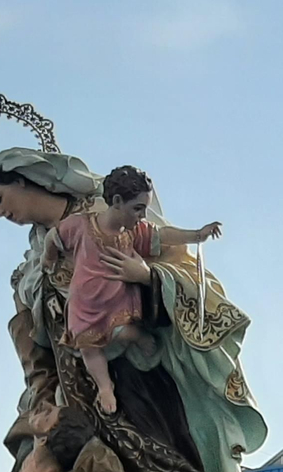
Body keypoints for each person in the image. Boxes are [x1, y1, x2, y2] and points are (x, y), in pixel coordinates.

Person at [48, 163, 222, 416]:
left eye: (144, 209)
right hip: (84, 302)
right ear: (117, 201)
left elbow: (162, 236)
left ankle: (138, 337)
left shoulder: (132, 232)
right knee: (87, 346)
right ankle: (104, 387)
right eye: (137, 208)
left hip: (117, 299)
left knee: (123, 332)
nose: (142, 215)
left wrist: (197, 235)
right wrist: (48, 258)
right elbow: (54, 237)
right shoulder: (81, 225)